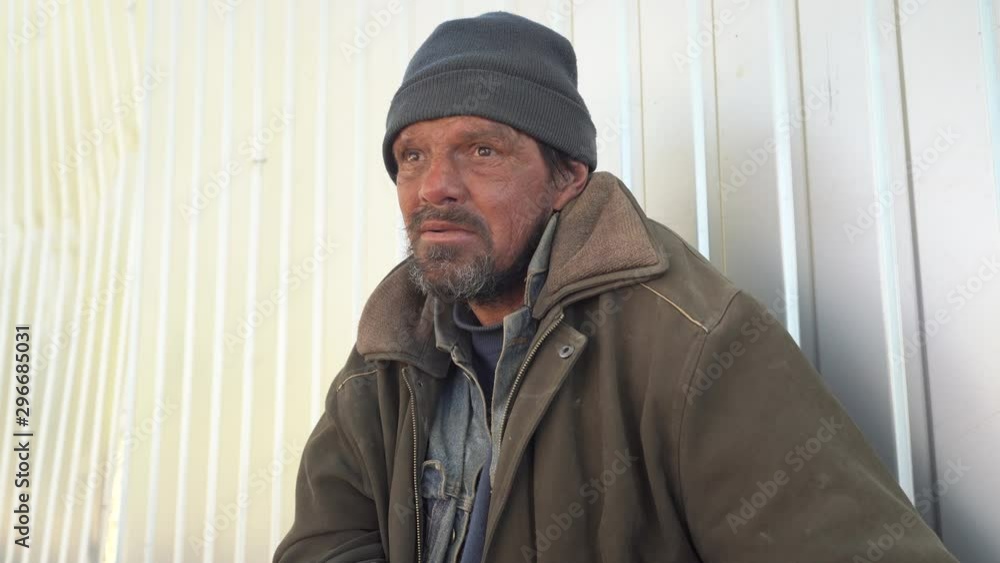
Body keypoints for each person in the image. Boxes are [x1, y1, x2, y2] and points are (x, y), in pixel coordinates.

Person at [274, 11, 959, 563]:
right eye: (411, 156)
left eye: (481, 150)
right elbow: (323, 543)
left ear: (568, 176)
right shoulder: (389, 352)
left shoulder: (691, 339)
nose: (433, 187)